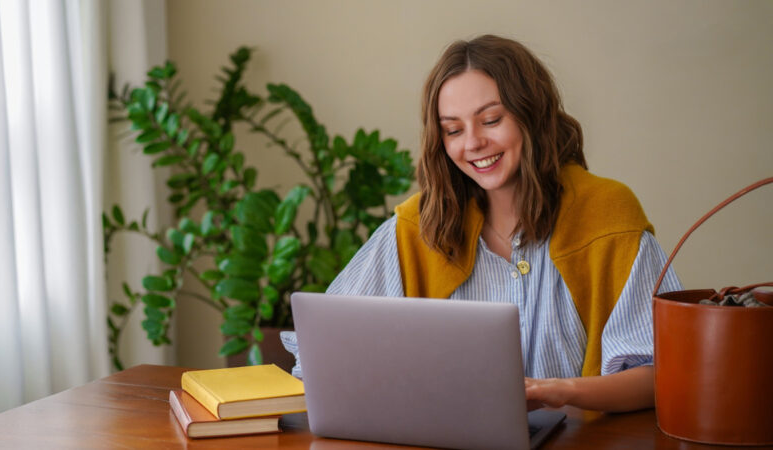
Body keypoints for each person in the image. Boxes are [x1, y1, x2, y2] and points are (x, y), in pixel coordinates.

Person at [281, 34, 681, 413]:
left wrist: (559, 392)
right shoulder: (415, 227)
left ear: (533, 116)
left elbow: (661, 374)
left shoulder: (608, 214)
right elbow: (319, 351)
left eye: (490, 120)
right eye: (453, 129)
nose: (471, 143)